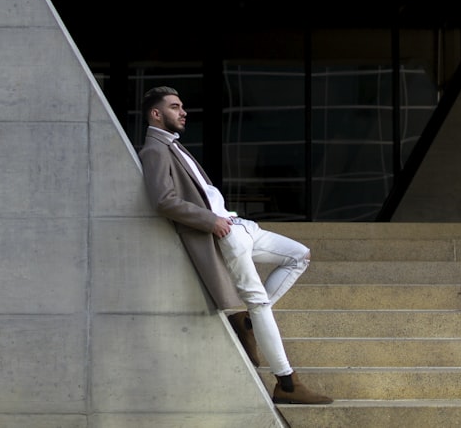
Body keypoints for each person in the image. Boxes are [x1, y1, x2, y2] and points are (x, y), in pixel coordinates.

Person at [138, 85, 332, 405]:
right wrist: (211, 222)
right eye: (174, 107)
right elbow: (164, 201)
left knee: (300, 255)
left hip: (239, 225)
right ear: (155, 114)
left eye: (182, 106)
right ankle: (286, 383)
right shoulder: (154, 151)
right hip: (223, 232)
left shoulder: (174, 147)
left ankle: (247, 322)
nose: (183, 111)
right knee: (258, 300)